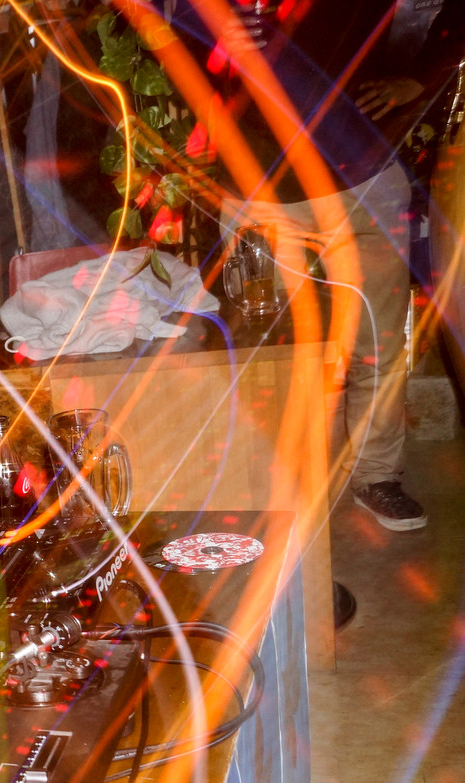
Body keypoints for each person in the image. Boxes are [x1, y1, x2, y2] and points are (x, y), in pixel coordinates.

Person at [199, 0, 465, 531]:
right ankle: (277, 483)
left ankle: (376, 476)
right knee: (267, 351)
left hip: (361, 180)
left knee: (378, 346)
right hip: (256, 187)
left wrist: (422, 75)